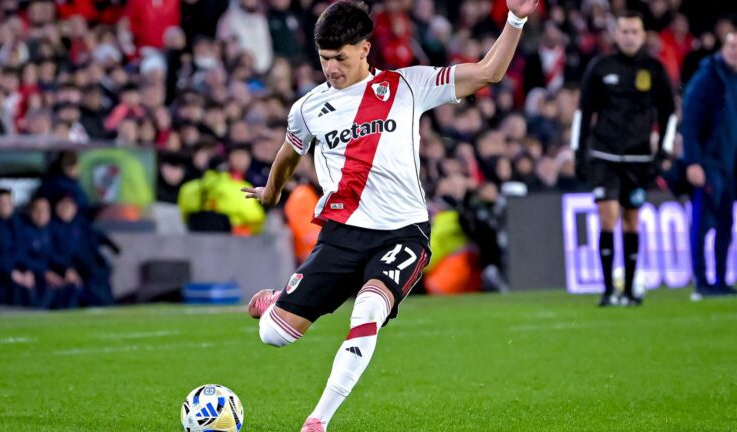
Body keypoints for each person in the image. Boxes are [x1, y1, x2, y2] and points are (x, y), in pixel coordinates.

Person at [240, 1, 539, 430]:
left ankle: (317, 421)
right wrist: (271, 191)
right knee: (274, 334)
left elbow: (488, 72)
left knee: (368, 310)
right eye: (324, 59)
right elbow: (290, 152)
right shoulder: (308, 108)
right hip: (342, 234)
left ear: (364, 49)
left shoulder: (408, 85)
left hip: (402, 233)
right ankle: (276, 302)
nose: (331, 69)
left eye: (340, 58)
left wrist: (515, 19)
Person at [572, 11, 676, 307]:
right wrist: (579, 152)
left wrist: (663, 152)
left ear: (643, 35)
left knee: (632, 220)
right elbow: (584, 112)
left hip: (639, 158)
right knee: (608, 217)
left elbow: (669, 113)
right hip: (604, 155)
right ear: (616, 35)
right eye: (625, 31)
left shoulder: (654, 69)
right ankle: (608, 290)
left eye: (634, 32)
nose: (629, 37)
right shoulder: (600, 67)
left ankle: (629, 289)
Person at [681, 32, 737, 298]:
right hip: (709, 163)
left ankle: (722, 280)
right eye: (731, 45)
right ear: (723, 47)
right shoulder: (707, 78)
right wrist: (693, 161)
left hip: (731, 164)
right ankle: (702, 281)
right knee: (703, 223)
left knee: (726, 223)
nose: (735, 51)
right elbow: (690, 122)